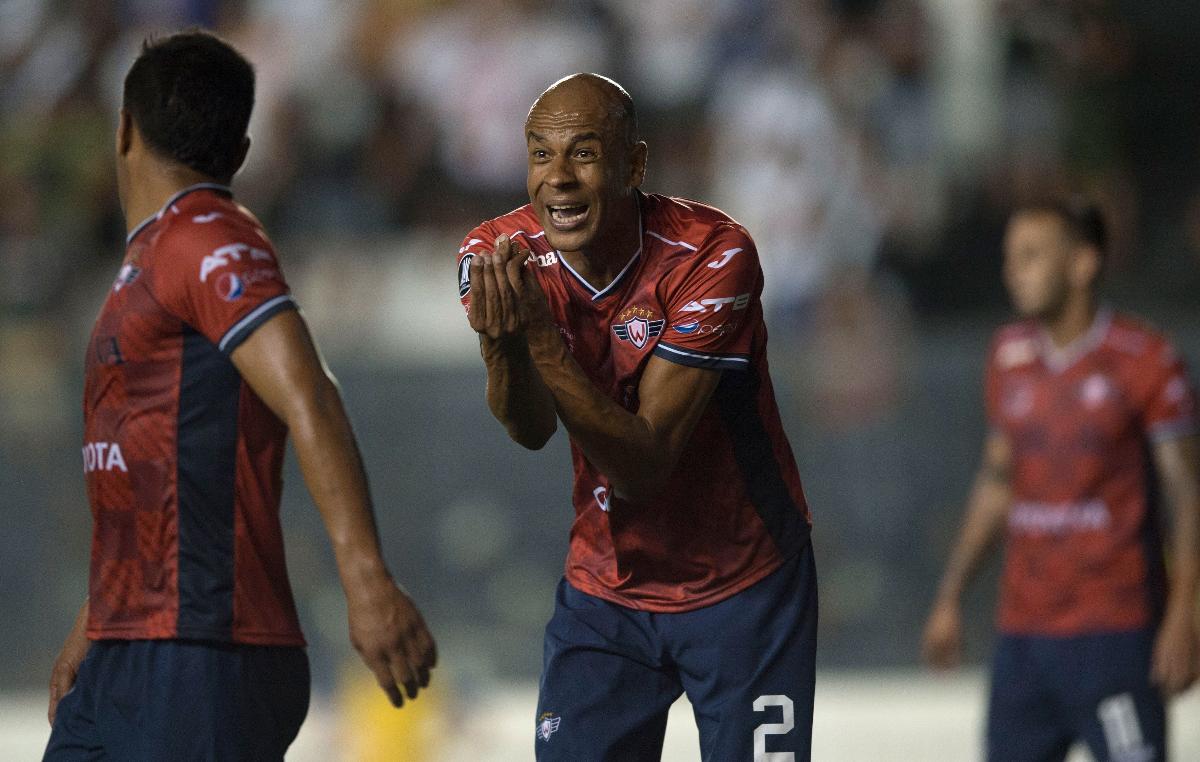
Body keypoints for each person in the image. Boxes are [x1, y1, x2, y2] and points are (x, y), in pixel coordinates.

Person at [44, 31, 436, 761]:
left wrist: (368, 580)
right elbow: (147, 462)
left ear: (124, 127)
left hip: (202, 644)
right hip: (131, 641)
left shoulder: (208, 234)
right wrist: (95, 621)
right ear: (244, 149)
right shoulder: (153, 254)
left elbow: (309, 394)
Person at [456, 73, 817, 761]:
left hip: (743, 584)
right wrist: (503, 347)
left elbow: (645, 465)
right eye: (540, 154)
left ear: (635, 164)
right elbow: (529, 428)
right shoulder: (496, 253)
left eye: (584, 153)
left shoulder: (714, 254)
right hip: (607, 589)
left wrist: (539, 339)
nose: (557, 179)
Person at [922, 199, 1200, 761]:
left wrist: (1186, 615)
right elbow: (998, 482)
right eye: (1010, 257)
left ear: (1081, 264)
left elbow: (1188, 496)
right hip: (1024, 638)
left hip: (1116, 633)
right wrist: (951, 594)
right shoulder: (1008, 355)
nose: (1012, 271)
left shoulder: (1145, 359)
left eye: (1030, 256)